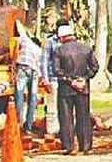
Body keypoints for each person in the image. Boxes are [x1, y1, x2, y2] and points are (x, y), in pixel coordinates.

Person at [52, 23, 99, 155]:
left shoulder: (59, 51)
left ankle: (69, 147)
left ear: (61, 37)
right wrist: (84, 79)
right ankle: (86, 146)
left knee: (66, 117)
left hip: (66, 89)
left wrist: (71, 81)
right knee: (84, 116)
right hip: (83, 88)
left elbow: (56, 70)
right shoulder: (86, 49)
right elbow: (95, 67)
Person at [14, 27, 43, 135]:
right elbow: (39, 67)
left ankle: (17, 123)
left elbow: (16, 40)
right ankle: (28, 127)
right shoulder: (39, 50)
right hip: (34, 72)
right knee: (32, 98)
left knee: (19, 95)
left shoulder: (26, 40)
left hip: (23, 68)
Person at [39, 21, 65, 136]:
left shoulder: (67, 42)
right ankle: (51, 131)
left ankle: (63, 130)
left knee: (64, 106)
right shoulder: (50, 42)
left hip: (65, 79)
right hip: (52, 78)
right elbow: (44, 61)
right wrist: (45, 79)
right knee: (52, 106)